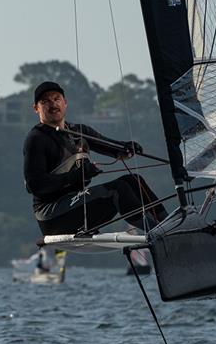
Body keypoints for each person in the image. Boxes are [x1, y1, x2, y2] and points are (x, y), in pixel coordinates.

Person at [23, 81, 168, 236]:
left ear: (65, 103)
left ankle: (171, 225)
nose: (53, 104)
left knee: (134, 181)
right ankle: (160, 235)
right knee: (117, 189)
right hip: (52, 215)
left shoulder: (79, 131)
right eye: (45, 101)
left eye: (56, 98)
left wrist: (126, 147)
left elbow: (112, 148)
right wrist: (75, 176)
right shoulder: (37, 138)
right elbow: (34, 185)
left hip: (76, 203)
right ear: (36, 108)